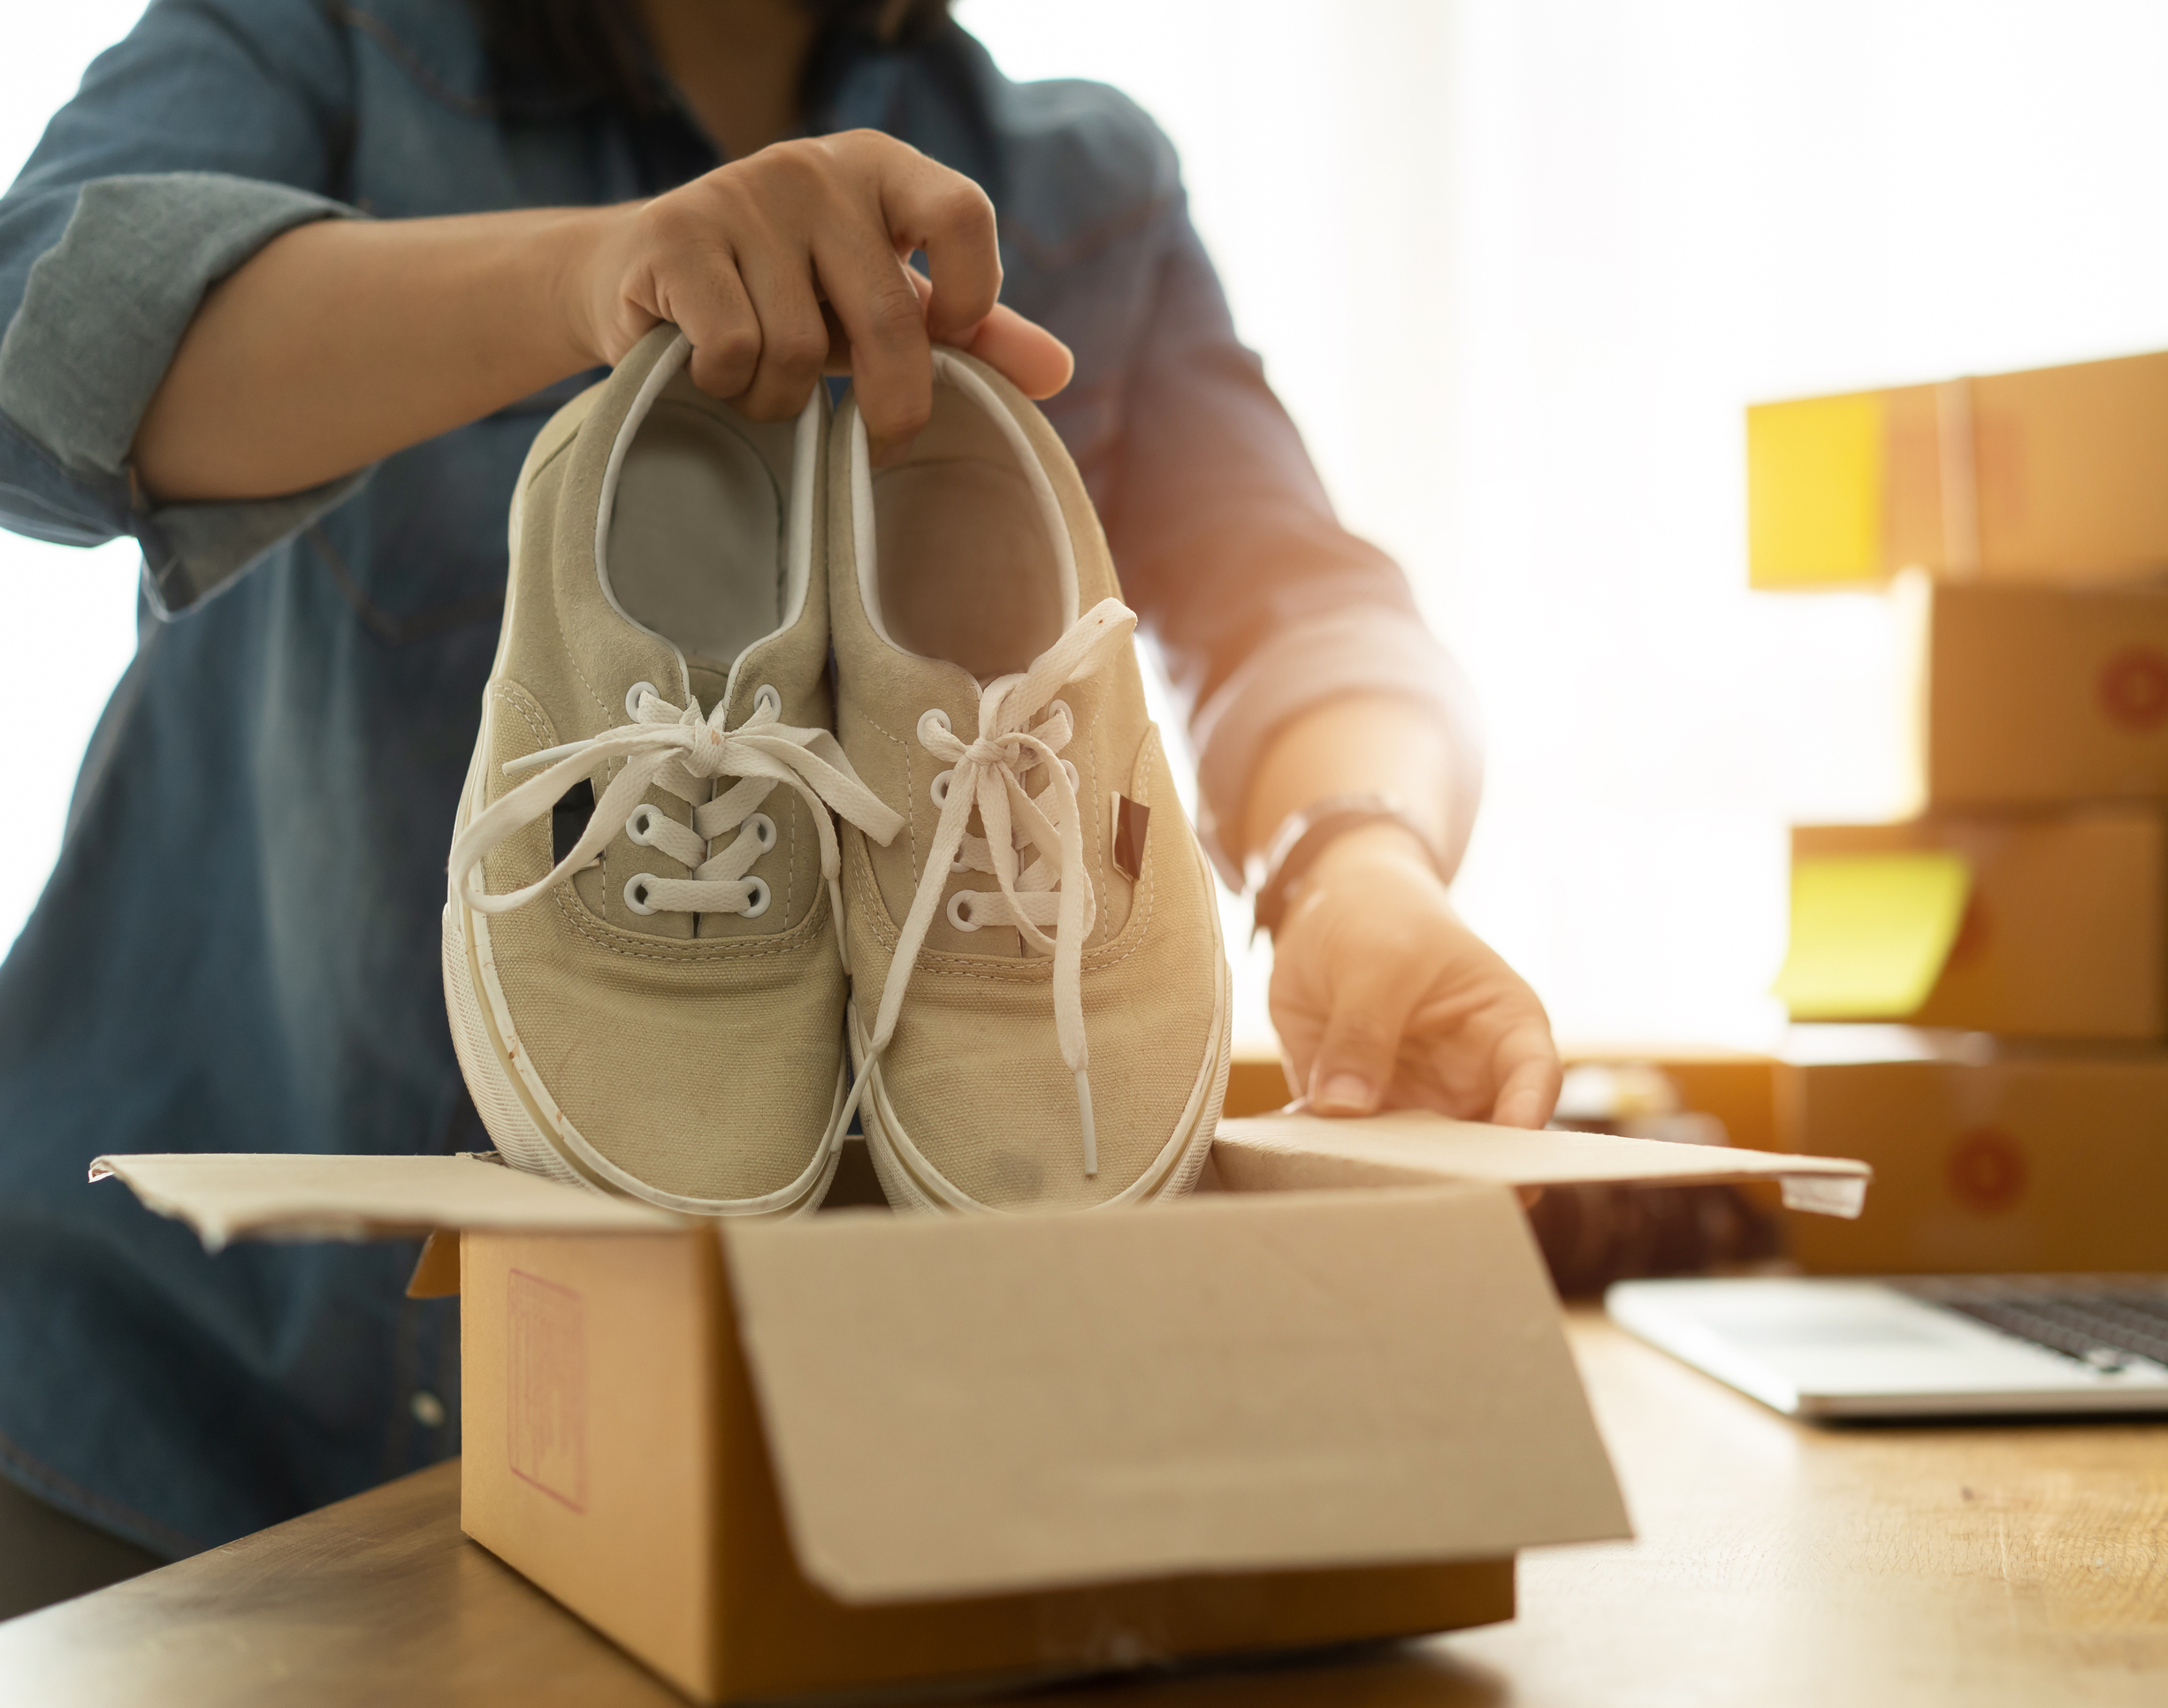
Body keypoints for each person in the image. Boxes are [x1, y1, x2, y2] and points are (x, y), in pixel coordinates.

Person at [0, 0, 1554, 1603]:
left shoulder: (1087, 187)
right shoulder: (316, 36)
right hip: (162, 1405)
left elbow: (1296, 600)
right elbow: (28, 337)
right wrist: (582, 274)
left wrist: (1359, 863)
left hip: (752, 1470)